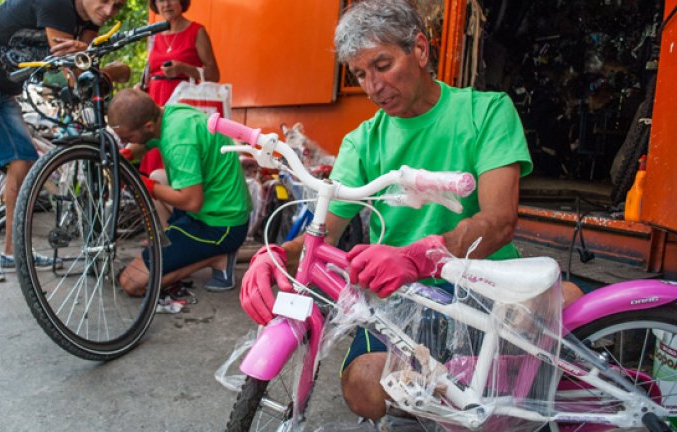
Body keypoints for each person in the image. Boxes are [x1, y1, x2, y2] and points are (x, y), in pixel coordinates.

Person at [238, 0, 583, 421]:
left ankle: (460, 397)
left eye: (382, 65)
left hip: (480, 280)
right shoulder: (363, 141)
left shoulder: (487, 112)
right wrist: (277, 253)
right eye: (361, 74)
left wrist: (417, 257)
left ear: (420, 50)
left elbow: (499, 221)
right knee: (365, 386)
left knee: (566, 303)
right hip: (398, 295)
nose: (372, 86)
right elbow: (324, 231)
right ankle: (461, 397)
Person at [0, 0, 126, 282]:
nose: (109, 11)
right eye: (105, 1)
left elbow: (78, 76)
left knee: (24, 160)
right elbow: (69, 65)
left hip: (3, 87)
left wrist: (93, 63)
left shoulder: (92, 19)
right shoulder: (57, 4)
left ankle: (15, 253)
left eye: (118, 6)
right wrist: (106, 66)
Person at [109, 89, 251, 295]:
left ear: (147, 126)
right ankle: (179, 251)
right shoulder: (169, 114)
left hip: (221, 225)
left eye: (128, 137)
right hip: (218, 207)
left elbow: (192, 202)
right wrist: (127, 154)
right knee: (159, 175)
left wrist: (144, 185)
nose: (125, 141)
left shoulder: (178, 143)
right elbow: (147, 141)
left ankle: (217, 257)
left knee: (131, 282)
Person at [137, 0, 220, 177]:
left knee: (178, 156)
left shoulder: (196, 31)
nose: (166, 4)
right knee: (154, 157)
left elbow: (214, 75)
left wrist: (183, 68)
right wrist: (141, 87)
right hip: (155, 100)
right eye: (160, 0)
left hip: (182, 103)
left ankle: (182, 200)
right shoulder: (153, 34)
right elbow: (149, 70)